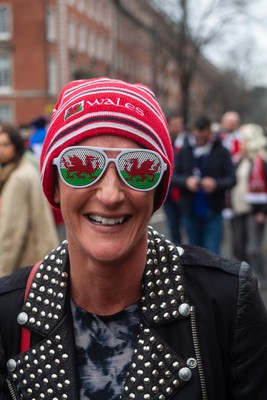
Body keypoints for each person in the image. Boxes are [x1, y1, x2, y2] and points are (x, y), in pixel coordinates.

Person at [0, 78, 266, 400]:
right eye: (82, 165)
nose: (110, 195)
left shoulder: (227, 301)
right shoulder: (7, 312)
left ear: (157, 190)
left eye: (138, 168)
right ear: (54, 184)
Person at [0, 123, 59, 277]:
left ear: (17, 146)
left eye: (6, 145)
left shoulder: (17, 179)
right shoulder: (24, 169)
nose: (1, 150)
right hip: (42, 256)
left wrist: (2, 275)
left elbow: (11, 234)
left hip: (29, 261)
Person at [172, 115, 236, 254]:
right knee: (194, 252)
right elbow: (173, 177)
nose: (199, 137)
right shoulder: (185, 150)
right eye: (197, 133)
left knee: (212, 252)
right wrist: (186, 181)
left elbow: (232, 179)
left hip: (213, 210)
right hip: (190, 209)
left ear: (209, 132)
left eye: (203, 133)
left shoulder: (222, 151)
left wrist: (215, 184)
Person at [231, 123, 267, 286]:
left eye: (244, 140)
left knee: (253, 248)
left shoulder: (262, 159)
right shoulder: (240, 159)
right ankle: (246, 278)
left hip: (254, 210)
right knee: (238, 246)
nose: (241, 143)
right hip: (238, 209)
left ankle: (260, 278)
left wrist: (263, 210)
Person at [163, 113, 186, 244]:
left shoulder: (186, 143)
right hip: (168, 193)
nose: (178, 127)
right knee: (173, 226)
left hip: (183, 193)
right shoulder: (164, 142)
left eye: (179, 124)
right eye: (175, 124)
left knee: (186, 227)